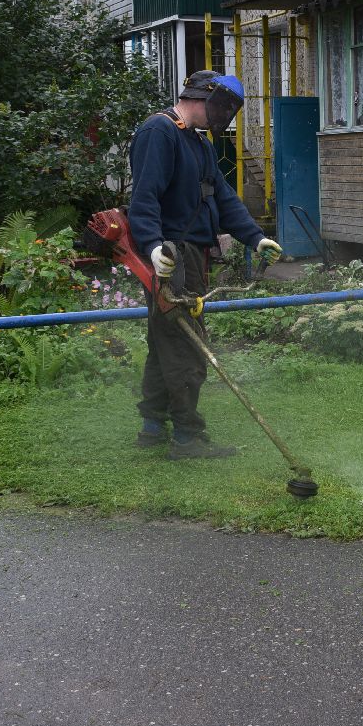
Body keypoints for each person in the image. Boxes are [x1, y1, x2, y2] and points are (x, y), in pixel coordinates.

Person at [126, 70, 281, 460]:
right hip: (172, 255)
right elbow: (144, 198)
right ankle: (186, 437)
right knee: (185, 343)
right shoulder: (158, 133)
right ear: (201, 98)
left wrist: (254, 236)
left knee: (167, 338)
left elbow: (222, 197)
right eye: (223, 107)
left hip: (192, 253)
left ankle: (153, 426)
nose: (224, 116)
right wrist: (152, 248)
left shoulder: (198, 143)